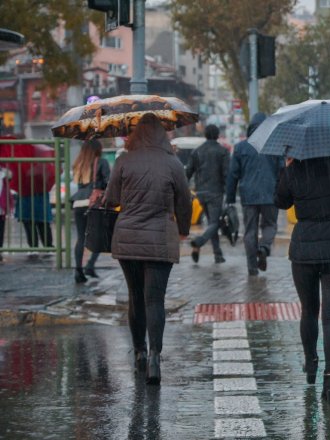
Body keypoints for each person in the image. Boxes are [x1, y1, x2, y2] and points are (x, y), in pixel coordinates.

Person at [105, 113, 192, 384]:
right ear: (161, 134)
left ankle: (139, 353)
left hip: (128, 238)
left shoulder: (123, 160)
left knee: (135, 295)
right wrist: (183, 230)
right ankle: (155, 357)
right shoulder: (172, 163)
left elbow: (112, 199)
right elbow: (185, 201)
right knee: (155, 299)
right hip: (160, 239)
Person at [275, 155, 330, 405]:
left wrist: (287, 170)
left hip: (304, 248)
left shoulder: (295, 171)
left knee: (309, 311)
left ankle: (311, 363)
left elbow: (280, 201)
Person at [225, 113, 282, 276]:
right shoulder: (274, 146)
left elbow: (233, 175)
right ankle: (264, 247)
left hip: (248, 196)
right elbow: (282, 171)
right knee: (270, 225)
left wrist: (229, 198)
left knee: (250, 231)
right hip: (271, 194)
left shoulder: (241, 147)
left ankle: (252, 267)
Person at [187, 124, 229, 264]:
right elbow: (226, 174)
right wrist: (229, 193)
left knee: (212, 224)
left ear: (205, 135)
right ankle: (199, 242)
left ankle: (218, 255)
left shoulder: (196, 152)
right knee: (214, 223)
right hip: (216, 192)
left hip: (201, 193)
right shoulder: (222, 152)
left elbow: (187, 173)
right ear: (217, 135)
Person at [70, 139, 111, 283]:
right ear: (97, 149)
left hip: (78, 202)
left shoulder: (78, 163)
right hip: (93, 202)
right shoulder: (101, 162)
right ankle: (90, 265)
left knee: (81, 237)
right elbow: (108, 182)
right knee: (100, 236)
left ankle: (78, 271)